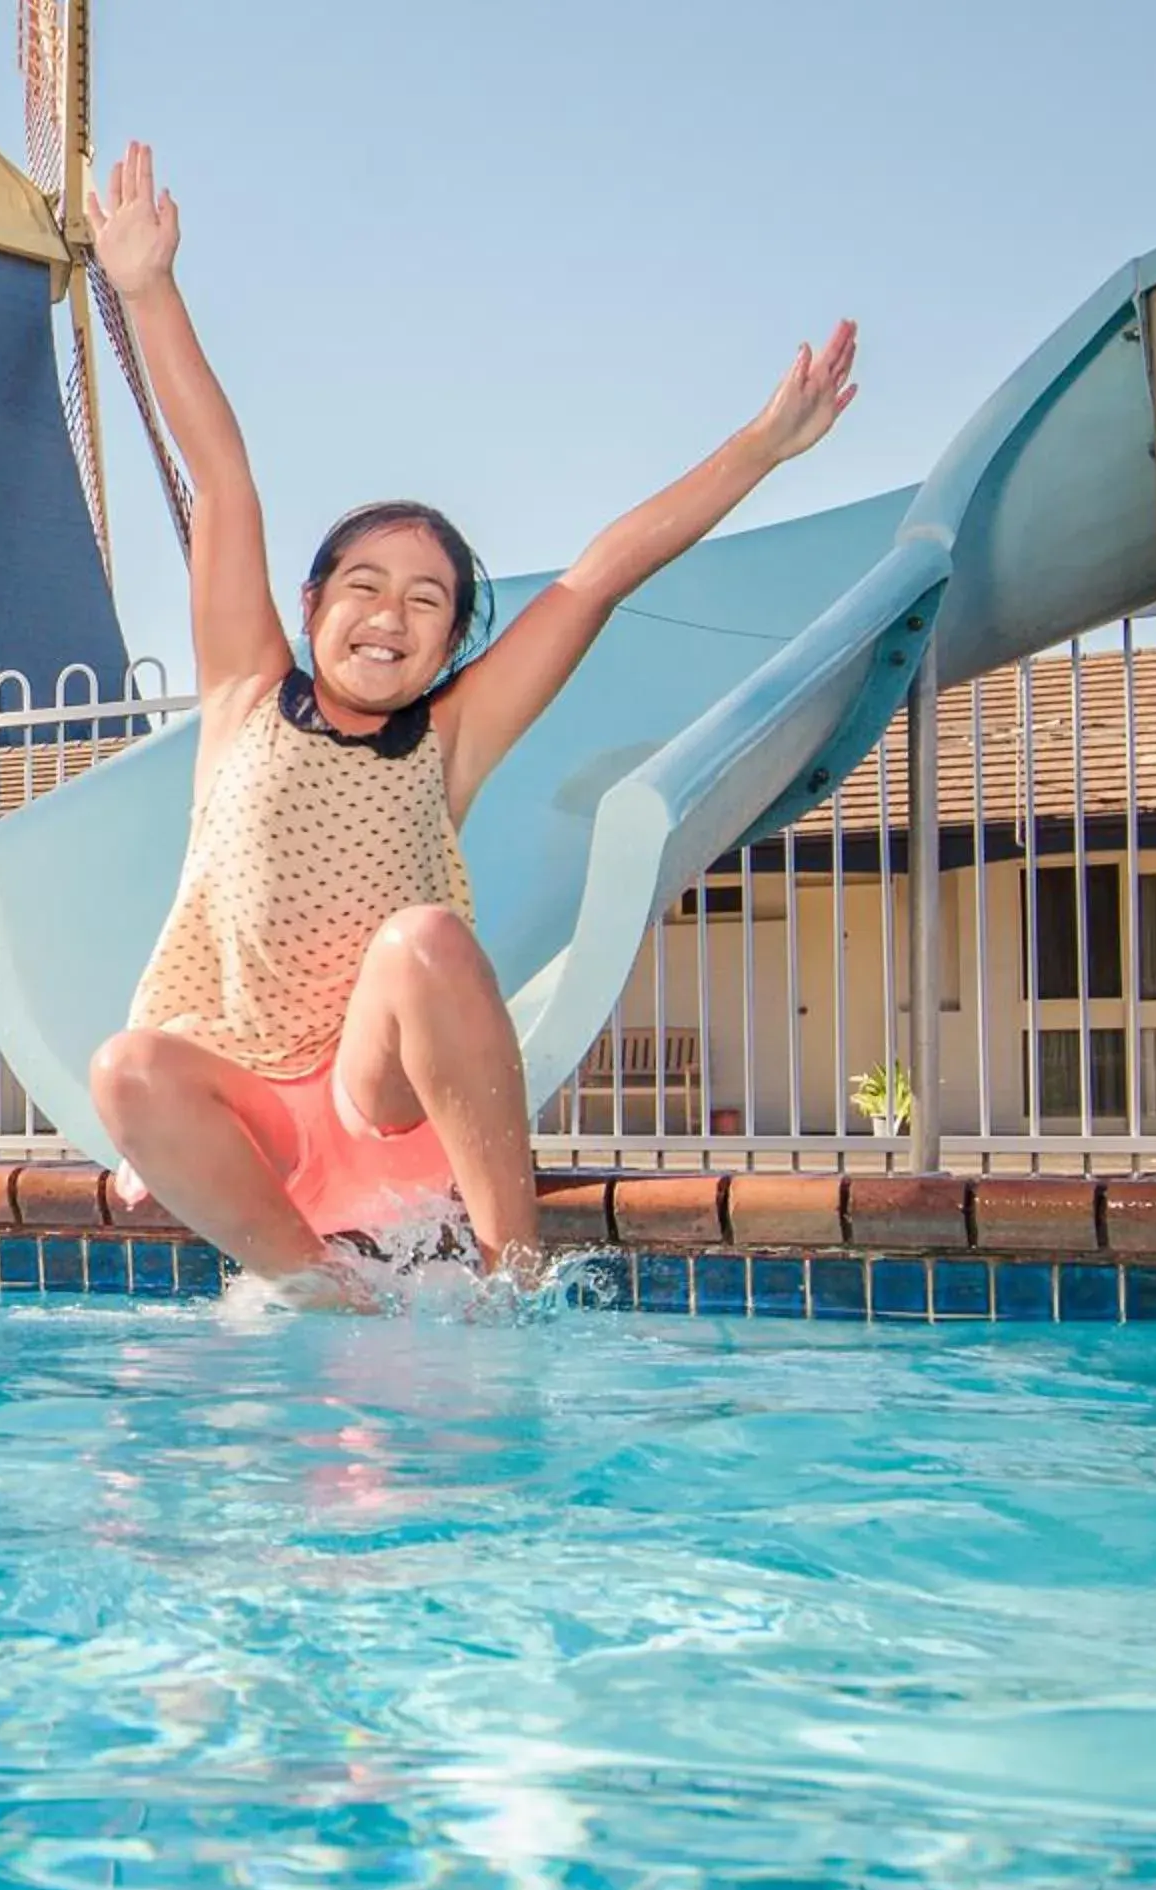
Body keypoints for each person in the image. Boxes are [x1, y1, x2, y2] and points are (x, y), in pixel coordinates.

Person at [82, 141, 858, 1290]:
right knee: (123, 1069)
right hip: (254, 1119)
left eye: (426, 599)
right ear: (311, 605)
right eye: (364, 586)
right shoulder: (247, 690)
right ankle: (320, 1288)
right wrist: (148, 288)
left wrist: (760, 446)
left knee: (425, 939)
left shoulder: (449, 738)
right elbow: (225, 476)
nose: (389, 615)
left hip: (377, 1096)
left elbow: (596, 577)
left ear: (453, 642)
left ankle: (514, 1277)